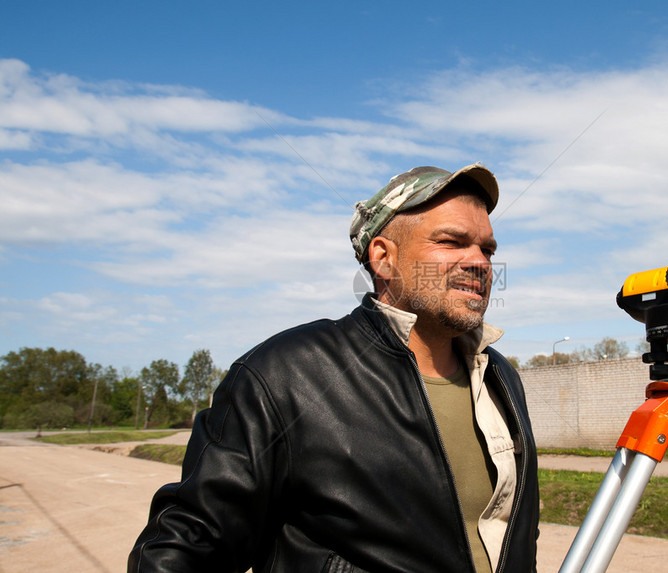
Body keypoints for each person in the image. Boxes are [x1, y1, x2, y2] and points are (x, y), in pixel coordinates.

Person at [128, 164, 540, 573]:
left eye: (487, 249)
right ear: (383, 257)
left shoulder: (500, 378)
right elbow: (188, 548)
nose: (480, 263)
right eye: (452, 242)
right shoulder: (285, 376)